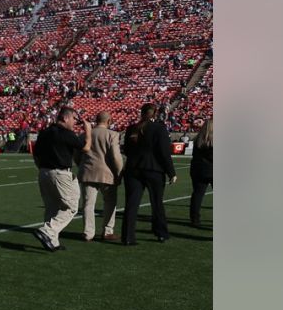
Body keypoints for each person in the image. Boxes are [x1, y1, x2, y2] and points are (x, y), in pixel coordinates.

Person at [32, 107, 91, 252]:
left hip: (44, 172)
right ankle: (48, 231)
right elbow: (86, 148)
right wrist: (88, 130)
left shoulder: (45, 132)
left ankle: (52, 241)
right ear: (65, 118)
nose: (74, 123)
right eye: (73, 119)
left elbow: (36, 154)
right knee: (71, 206)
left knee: (52, 207)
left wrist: (41, 168)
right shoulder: (65, 133)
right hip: (60, 172)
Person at [120, 103, 177, 245]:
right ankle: (161, 233)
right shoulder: (159, 128)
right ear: (155, 114)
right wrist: (171, 172)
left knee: (131, 204)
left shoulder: (131, 129)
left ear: (141, 112)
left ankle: (128, 237)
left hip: (133, 169)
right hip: (153, 170)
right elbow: (164, 152)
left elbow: (126, 150)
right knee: (157, 203)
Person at [77, 111, 124, 242]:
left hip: (88, 172)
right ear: (109, 121)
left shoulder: (84, 135)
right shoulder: (112, 134)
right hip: (107, 174)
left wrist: (82, 165)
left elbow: (76, 154)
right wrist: (119, 173)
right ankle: (107, 231)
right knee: (110, 203)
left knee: (87, 204)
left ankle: (88, 233)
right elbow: (116, 156)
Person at [189, 119, 212, 228]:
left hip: (198, 170)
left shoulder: (197, 139)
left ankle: (194, 219)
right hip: (211, 171)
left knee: (197, 195)